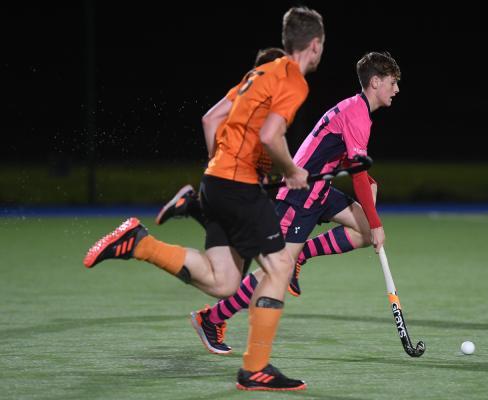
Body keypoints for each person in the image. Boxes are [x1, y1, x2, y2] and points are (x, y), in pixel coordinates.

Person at [83, 7, 325, 391]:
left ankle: (140, 244)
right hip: (238, 185)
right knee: (280, 266)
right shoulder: (293, 79)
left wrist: (224, 167)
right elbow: (270, 135)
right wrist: (291, 172)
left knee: (224, 281)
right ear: (315, 44)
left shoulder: (258, 73)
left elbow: (211, 119)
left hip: (215, 179)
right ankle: (255, 368)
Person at [160, 51, 401, 354]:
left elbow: (356, 169)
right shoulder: (356, 113)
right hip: (300, 197)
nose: (396, 90)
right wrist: (376, 220)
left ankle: (302, 256)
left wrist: (371, 204)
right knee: (274, 272)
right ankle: (212, 318)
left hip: (320, 192)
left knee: (364, 231)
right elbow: (356, 175)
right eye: (393, 83)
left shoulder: (357, 110)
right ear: (375, 82)